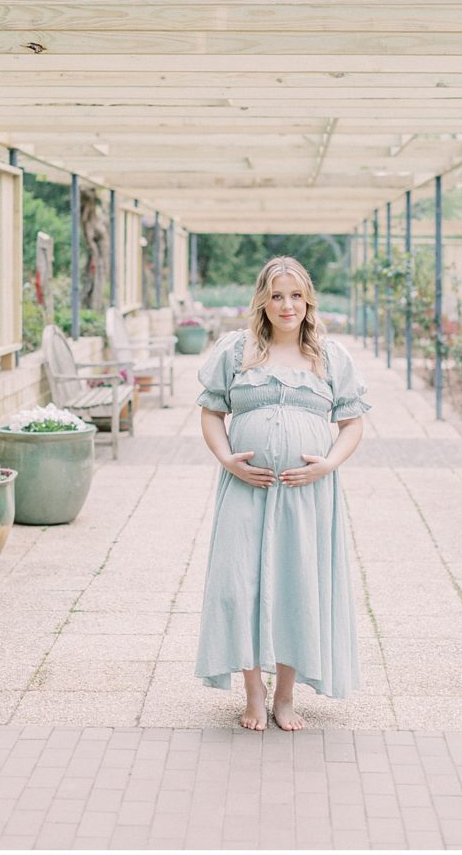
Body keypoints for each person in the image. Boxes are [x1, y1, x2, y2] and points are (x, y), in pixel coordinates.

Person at [194, 256, 371, 731]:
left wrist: (329, 463)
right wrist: (228, 458)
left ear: (308, 300)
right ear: (263, 301)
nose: (286, 304)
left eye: (295, 295)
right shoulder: (236, 351)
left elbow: (352, 423)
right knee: (239, 587)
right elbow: (211, 413)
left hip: (306, 496)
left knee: (297, 586)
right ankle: (254, 694)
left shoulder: (330, 357)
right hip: (245, 489)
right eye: (277, 295)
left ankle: (286, 697)